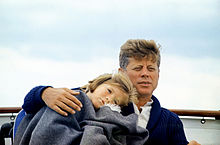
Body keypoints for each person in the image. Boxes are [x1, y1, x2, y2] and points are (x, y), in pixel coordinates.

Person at [18, 39, 200, 145]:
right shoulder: (96, 98)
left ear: (158, 74)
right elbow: (29, 105)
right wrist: (44, 93)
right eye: (138, 68)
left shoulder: (171, 122)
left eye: (151, 68)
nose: (145, 74)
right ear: (121, 73)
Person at [14, 73, 149, 145]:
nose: (109, 99)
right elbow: (46, 133)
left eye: (115, 102)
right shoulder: (73, 97)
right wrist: (43, 92)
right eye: (109, 91)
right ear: (96, 84)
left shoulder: (105, 116)